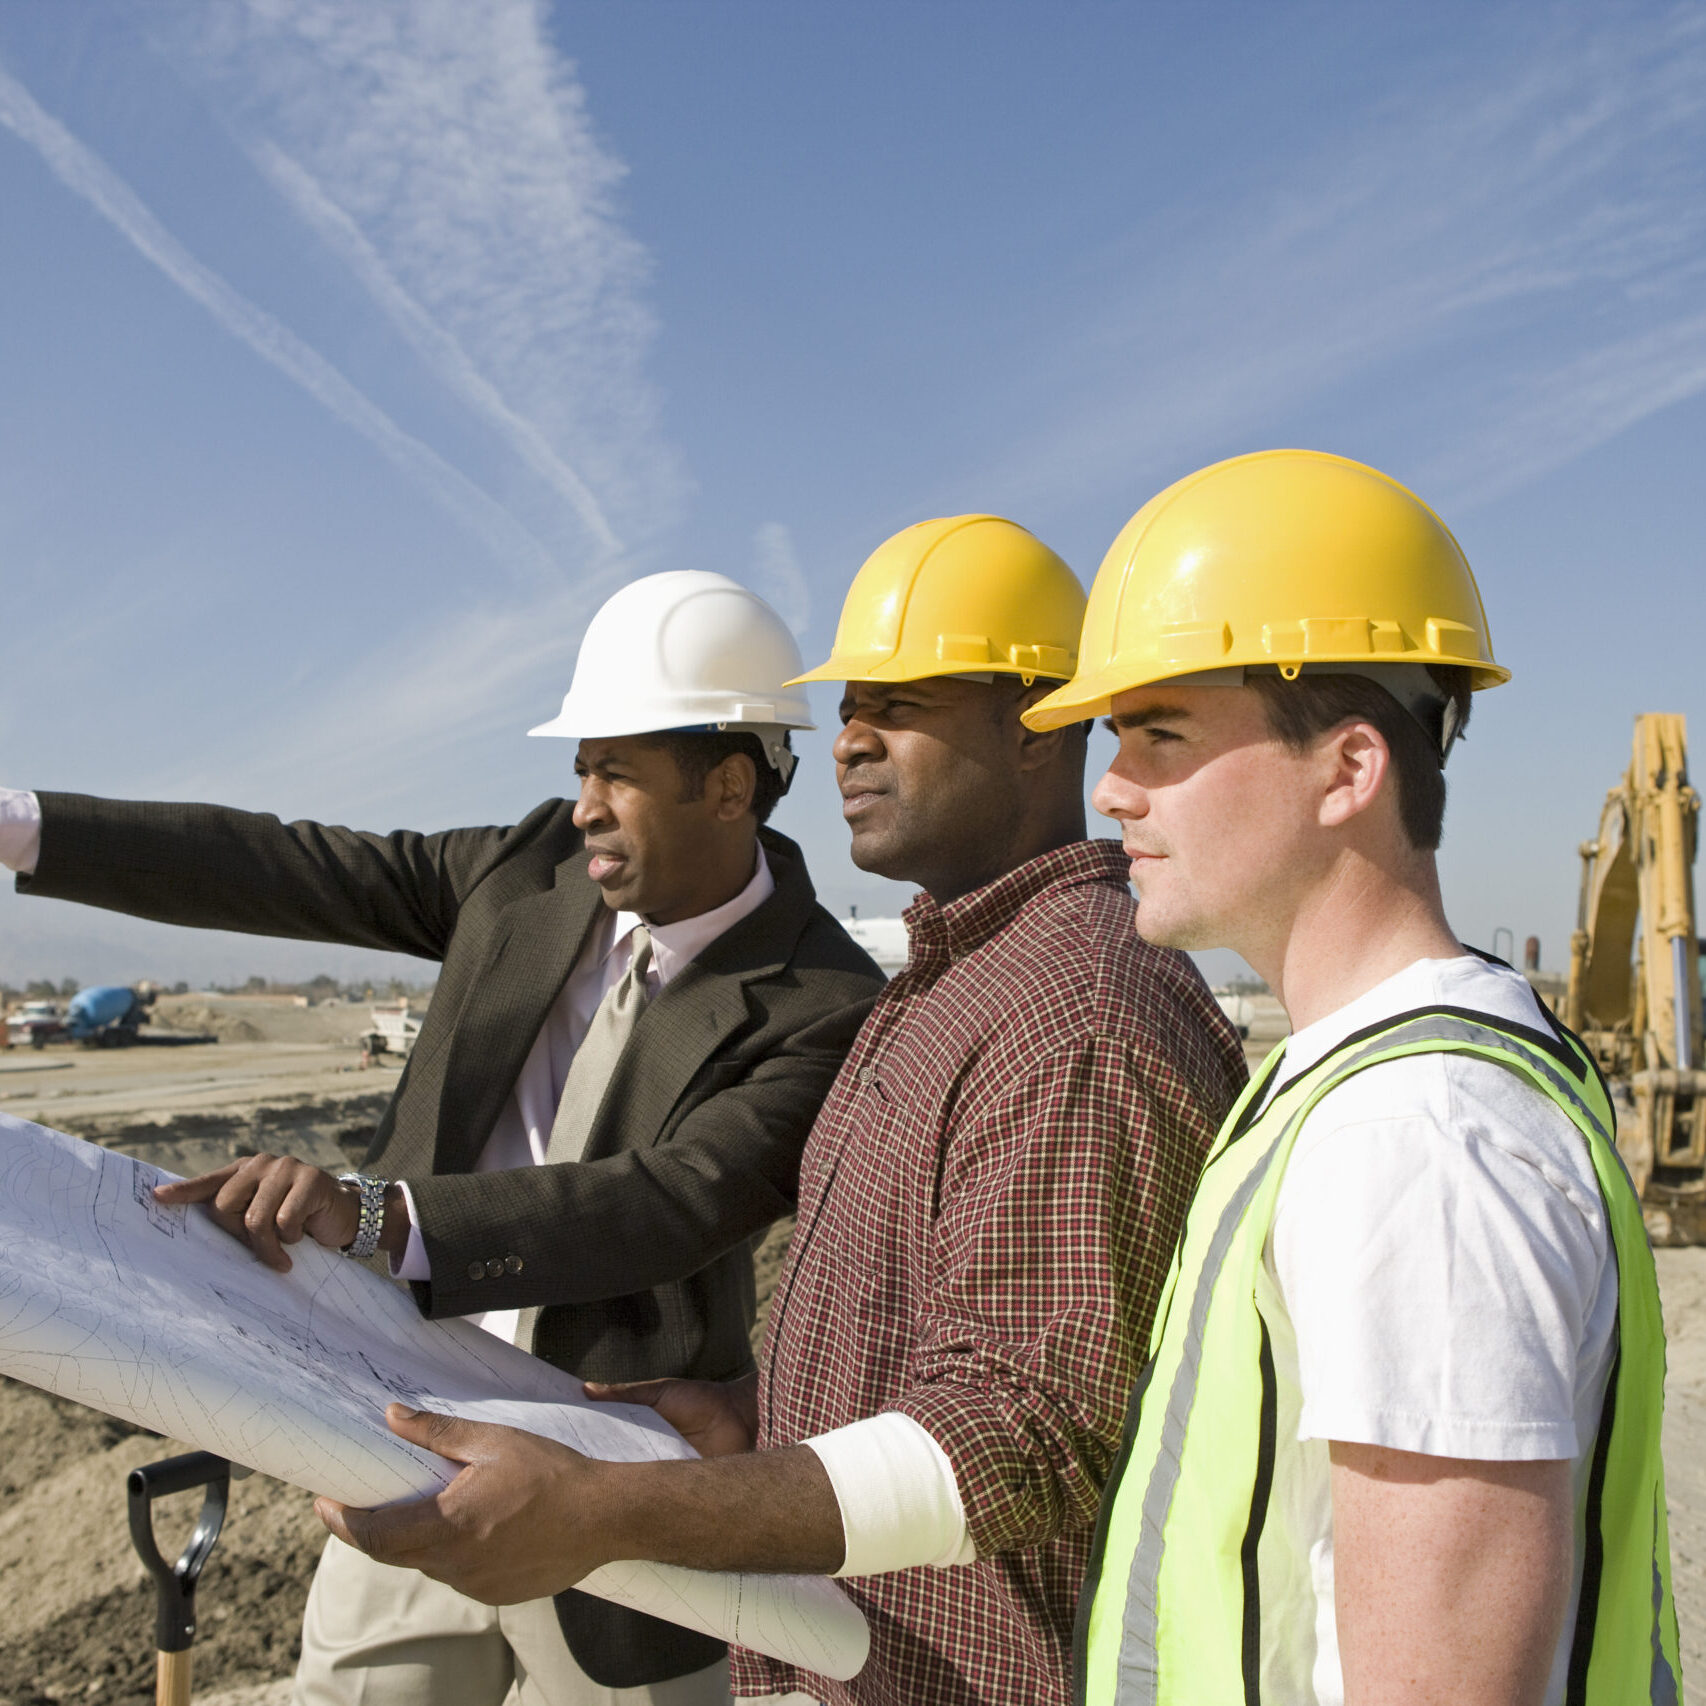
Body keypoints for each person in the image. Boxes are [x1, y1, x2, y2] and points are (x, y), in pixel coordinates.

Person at [313, 514, 1249, 1706]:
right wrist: (759, 1418)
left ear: (1037, 723)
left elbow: (1026, 1430)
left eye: (900, 703)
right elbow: (943, 1351)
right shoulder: (961, 979)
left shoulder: (1072, 1014)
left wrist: (607, 1504)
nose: (848, 739)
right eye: (850, 703)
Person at [0, 570, 886, 1706]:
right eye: (578, 768)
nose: (582, 803)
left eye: (615, 769)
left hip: (609, 1496)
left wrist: (383, 1213)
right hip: (404, 1435)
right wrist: (21, 827)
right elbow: (289, 863)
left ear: (725, 785)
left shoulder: (821, 998)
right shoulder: (527, 876)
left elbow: (669, 1199)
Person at [1017, 448, 1680, 1704]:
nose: (1109, 787)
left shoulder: (1416, 1136)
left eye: (1158, 734)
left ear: (1347, 768)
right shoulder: (1345, 1084)